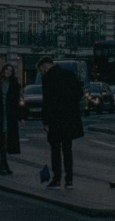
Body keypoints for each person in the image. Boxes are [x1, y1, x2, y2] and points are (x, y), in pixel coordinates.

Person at [37, 58, 83, 189]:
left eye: (41, 70)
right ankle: (69, 180)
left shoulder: (47, 78)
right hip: (69, 117)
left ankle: (57, 179)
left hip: (55, 118)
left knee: (55, 150)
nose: (42, 72)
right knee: (68, 150)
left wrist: (45, 121)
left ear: (45, 66)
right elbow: (79, 93)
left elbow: (47, 101)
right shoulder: (69, 74)